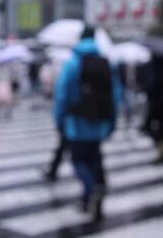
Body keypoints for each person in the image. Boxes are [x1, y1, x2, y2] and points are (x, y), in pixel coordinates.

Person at [53, 26, 122, 221]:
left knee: (78, 161)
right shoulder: (105, 62)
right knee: (94, 159)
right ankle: (90, 196)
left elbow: (61, 95)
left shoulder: (72, 63)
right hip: (99, 123)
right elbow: (116, 96)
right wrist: (112, 122)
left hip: (77, 124)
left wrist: (59, 119)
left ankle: (92, 190)